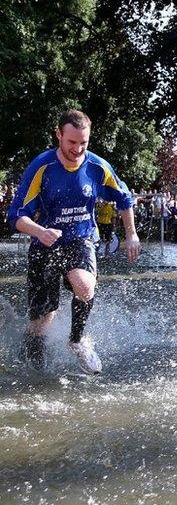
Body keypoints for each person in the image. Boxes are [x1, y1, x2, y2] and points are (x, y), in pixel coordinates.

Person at [7, 109, 141, 374]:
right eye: (72, 142)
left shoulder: (97, 166)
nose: (78, 149)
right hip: (45, 243)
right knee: (42, 321)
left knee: (85, 286)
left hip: (81, 238)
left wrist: (132, 234)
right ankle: (33, 367)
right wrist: (38, 231)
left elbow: (124, 199)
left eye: (84, 143)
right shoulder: (42, 167)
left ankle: (77, 340)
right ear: (58, 135)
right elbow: (16, 216)